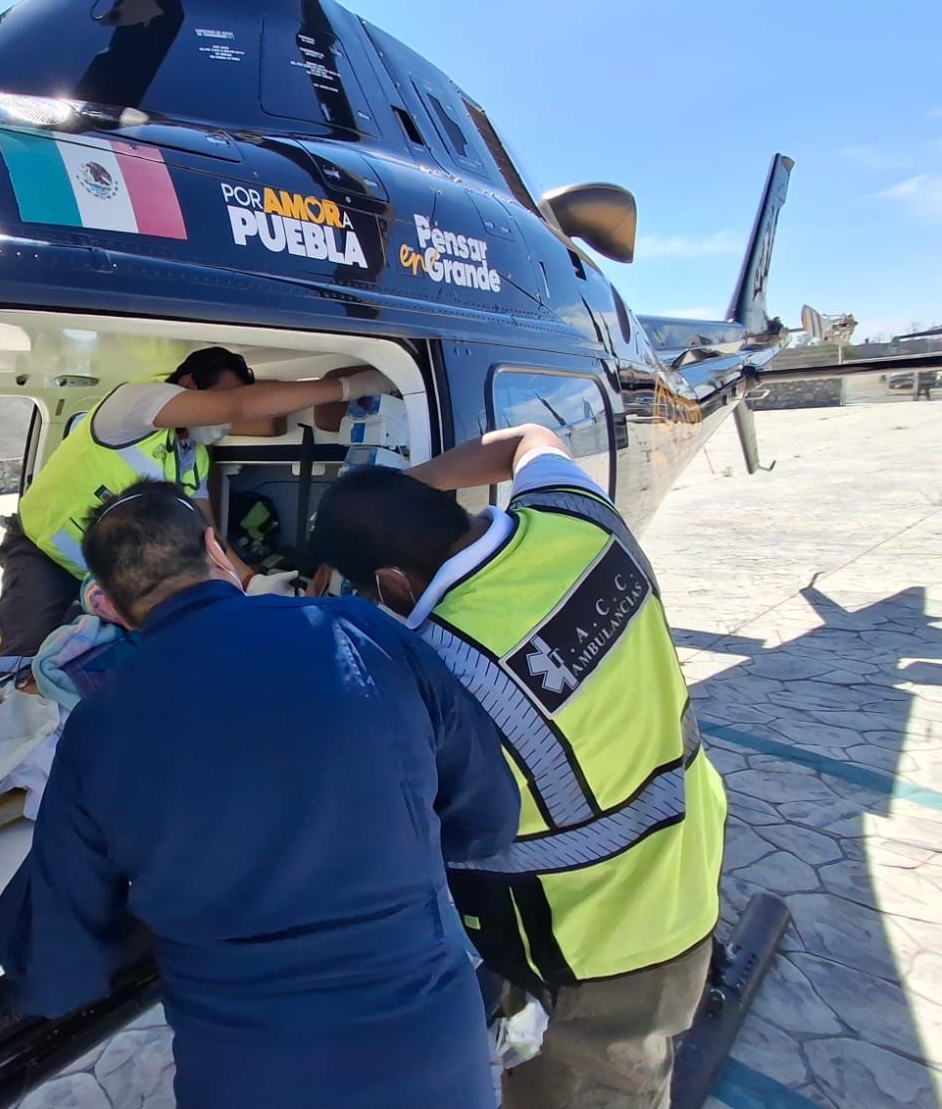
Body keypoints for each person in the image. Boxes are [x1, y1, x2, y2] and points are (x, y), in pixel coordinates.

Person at [0, 480, 518, 1109]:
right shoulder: (362, 631)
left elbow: (55, 968)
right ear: (215, 549)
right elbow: (488, 818)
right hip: (432, 1055)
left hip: (247, 1074)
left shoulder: (99, 727)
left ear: (111, 606)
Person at [308, 424, 726, 1109]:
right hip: (690, 846)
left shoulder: (443, 670)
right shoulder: (578, 516)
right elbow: (530, 438)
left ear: (390, 581)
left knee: (591, 1088)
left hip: (595, 943)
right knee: (645, 1055)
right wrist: (400, 495)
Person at [0, 348, 393, 684]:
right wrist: (352, 386)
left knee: (97, 672)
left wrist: (250, 580)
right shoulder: (131, 405)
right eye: (217, 403)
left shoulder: (193, 458)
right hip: (43, 553)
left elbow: (205, 531)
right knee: (23, 671)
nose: (225, 418)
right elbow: (241, 403)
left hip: (112, 577)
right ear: (187, 387)